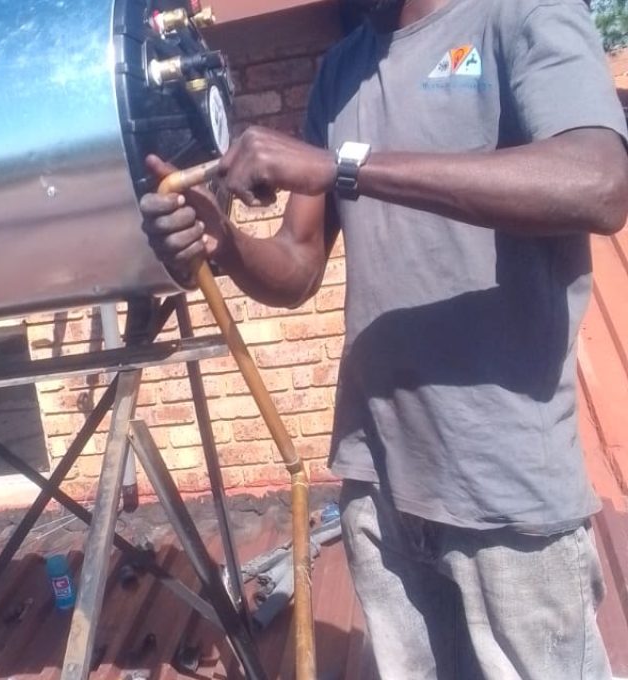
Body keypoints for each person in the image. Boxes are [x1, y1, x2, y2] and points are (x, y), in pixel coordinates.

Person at [139, 0, 628, 678]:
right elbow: (298, 265)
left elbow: (599, 183)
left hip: (506, 481)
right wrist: (226, 245)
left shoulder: (521, 13)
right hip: (379, 475)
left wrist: (346, 166)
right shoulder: (343, 72)